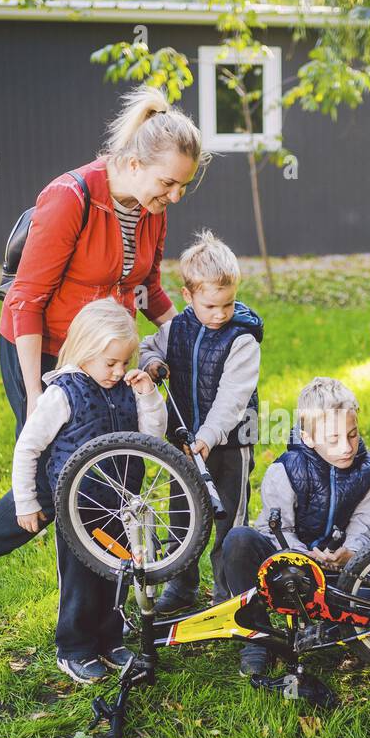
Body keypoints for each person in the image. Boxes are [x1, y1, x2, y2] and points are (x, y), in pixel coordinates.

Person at [0, 85, 206, 611]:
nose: (175, 195)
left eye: (183, 186)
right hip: (41, 349)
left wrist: (194, 337)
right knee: (57, 475)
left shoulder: (151, 210)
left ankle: (100, 615)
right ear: (133, 162)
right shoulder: (70, 198)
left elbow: (147, 289)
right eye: (169, 183)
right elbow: (26, 300)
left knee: (103, 473)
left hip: (103, 355)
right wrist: (37, 389)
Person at [11, 299, 166, 683]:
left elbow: (152, 437)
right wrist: (27, 501)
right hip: (78, 506)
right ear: (84, 351)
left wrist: (147, 395)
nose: (117, 372)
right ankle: (76, 647)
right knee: (81, 578)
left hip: (122, 504)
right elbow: (28, 446)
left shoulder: (126, 388)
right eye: (109, 363)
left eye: (124, 363)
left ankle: (111, 639)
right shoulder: (63, 393)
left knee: (119, 572)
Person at [217, 378, 370, 676]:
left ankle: (325, 629)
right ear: (308, 437)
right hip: (287, 567)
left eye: (353, 434)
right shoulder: (285, 471)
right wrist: (305, 558)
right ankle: (258, 637)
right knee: (239, 540)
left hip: (338, 572)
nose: (346, 447)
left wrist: (351, 553)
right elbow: (275, 529)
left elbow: (365, 527)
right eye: (333, 439)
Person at [139, 230, 262, 613]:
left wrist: (208, 436)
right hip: (184, 442)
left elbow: (232, 399)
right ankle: (181, 586)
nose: (221, 314)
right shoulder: (177, 328)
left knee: (229, 521)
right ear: (188, 297)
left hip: (229, 443)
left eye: (228, 304)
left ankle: (228, 596)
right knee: (183, 515)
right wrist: (152, 364)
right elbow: (147, 348)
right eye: (211, 306)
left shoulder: (242, 339)